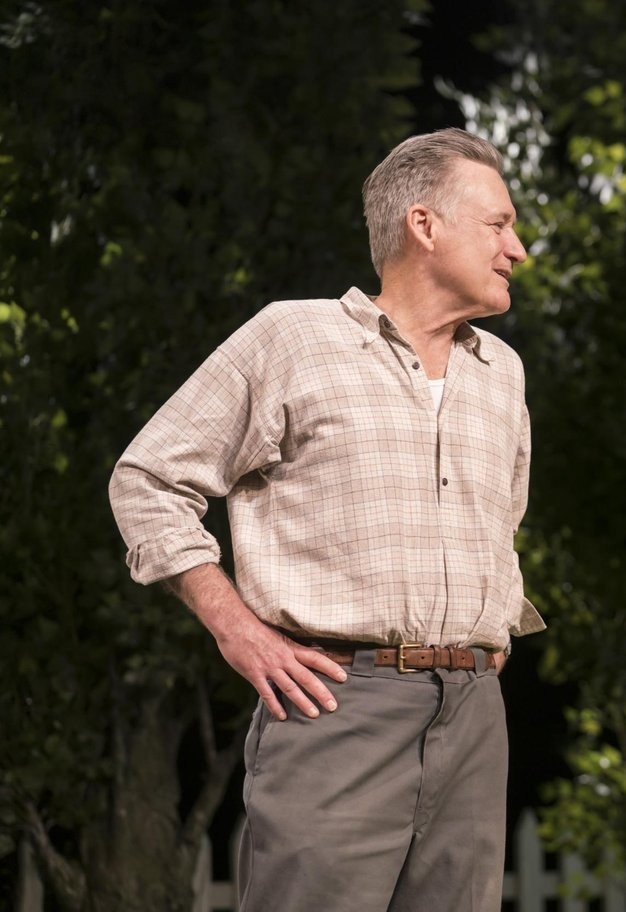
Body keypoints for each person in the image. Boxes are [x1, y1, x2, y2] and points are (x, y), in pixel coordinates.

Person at [108, 127, 544, 912]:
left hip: (475, 718)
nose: (518, 248)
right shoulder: (295, 339)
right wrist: (236, 628)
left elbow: (501, 523)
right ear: (424, 224)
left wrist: (488, 634)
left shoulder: (501, 373)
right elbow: (148, 478)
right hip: (337, 702)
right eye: (500, 224)